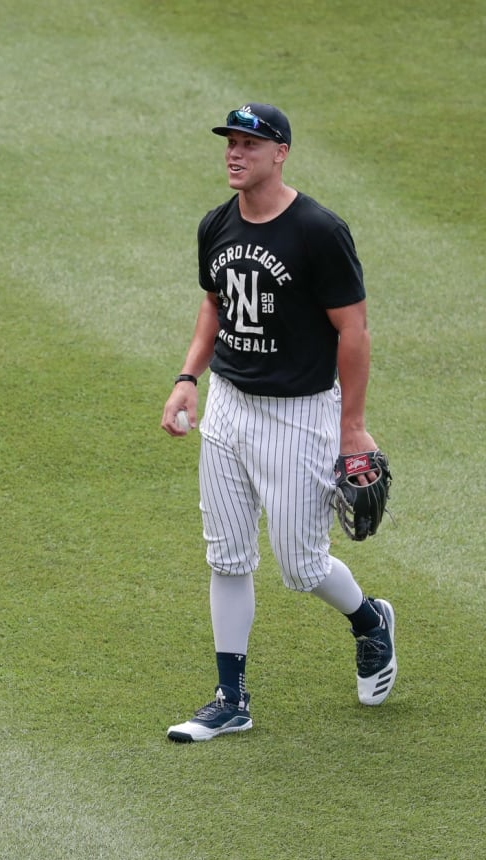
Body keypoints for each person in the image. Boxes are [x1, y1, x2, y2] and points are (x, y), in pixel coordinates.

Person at [160, 104, 396, 742]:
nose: (236, 154)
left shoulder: (318, 231)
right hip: (229, 405)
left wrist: (353, 426)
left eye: (250, 145)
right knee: (228, 556)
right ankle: (229, 698)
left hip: (300, 416)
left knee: (302, 566)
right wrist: (188, 379)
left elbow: (354, 330)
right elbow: (215, 304)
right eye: (231, 144)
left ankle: (371, 620)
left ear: (281, 152)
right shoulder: (217, 224)